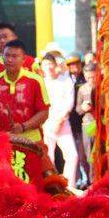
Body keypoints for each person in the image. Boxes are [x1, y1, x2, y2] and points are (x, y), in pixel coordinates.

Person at [0, 40, 49, 145]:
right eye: (6, 55)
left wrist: (23, 126)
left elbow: (44, 112)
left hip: (32, 141)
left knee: (46, 162)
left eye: (14, 56)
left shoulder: (35, 81)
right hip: (3, 141)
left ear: (23, 59)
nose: (9, 59)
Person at [40, 52, 79, 186]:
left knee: (72, 156)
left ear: (55, 65)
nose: (49, 67)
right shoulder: (41, 82)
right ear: (42, 67)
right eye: (45, 64)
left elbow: (69, 103)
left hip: (63, 123)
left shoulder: (65, 81)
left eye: (51, 64)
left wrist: (60, 120)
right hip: (47, 124)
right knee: (48, 158)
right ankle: (52, 187)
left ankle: (70, 186)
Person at [65, 55, 90, 188]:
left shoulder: (85, 80)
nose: (74, 67)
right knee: (74, 154)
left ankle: (86, 179)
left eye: (76, 64)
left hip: (83, 121)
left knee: (84, 153)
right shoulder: (66, 80)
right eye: (70, 65)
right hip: (69, 121)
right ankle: (78, 179)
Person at [75, 62, 99, 183]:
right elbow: (77, 109)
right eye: (88, 77)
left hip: (101, 123)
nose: (91, 80)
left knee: (101, 154)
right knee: (90, 156)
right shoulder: (82, 89)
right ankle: (92, 182)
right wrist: (83, 108)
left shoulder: (103, 87)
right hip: (88, 124)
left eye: (93, 77)